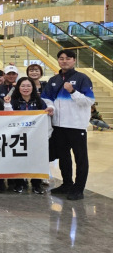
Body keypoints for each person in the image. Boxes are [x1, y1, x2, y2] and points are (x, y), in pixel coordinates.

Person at [42, 49, 94, 201]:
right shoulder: (53, 80)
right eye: (61, 58)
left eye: (68, 58)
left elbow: (89, 101)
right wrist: (50, 108)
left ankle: (79, 188)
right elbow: (46, 98)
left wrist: (72, 91)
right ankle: (66, 183)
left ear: (74, 61)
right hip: (58, 125)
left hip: (76, 126)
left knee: (80, 158)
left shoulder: (82, 78)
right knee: (63, 157)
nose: (64, 61)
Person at [4, 77, 53, 194]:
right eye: (23, 86)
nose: (26, 88)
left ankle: (37, 184)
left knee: (36, 160)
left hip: (35, 137)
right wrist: (7, 104)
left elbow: (45, 117)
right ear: (18, 88)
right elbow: (8, 117)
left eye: (28, 86)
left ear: (33, 87)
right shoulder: (13, 101)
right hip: (18, 137)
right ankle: (20, 183)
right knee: (19, 159)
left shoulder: (40, 101)